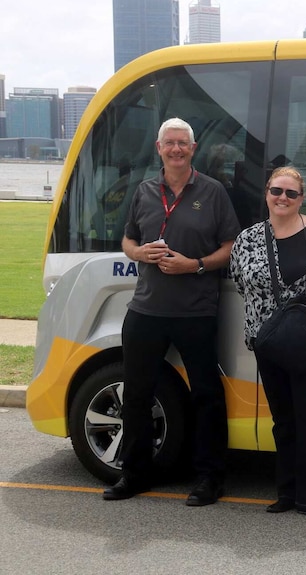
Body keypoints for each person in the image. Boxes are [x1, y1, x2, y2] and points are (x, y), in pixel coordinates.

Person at [104, 117, 241, 505]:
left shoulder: (213, 192)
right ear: (159, 148)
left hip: (196, 310)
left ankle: (209, 478)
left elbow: (231, 245)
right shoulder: (145, 191)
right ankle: (135, 473)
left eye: (183, 143)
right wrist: (138, 253)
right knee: (136, 395)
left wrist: (194, 264)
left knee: (206, 396)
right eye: (170, 143)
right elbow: (129, 239)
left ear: (193, 149)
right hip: (146, 309)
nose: (177, 149)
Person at [230, 167, 306, 521]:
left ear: (301, 198)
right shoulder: (247, 239)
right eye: (277, 191)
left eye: (291, 194)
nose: (283, 198)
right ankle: (286, 492)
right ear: (266, 193)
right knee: (283, 421)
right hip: (271, 343)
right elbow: (240, 282)